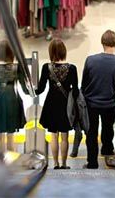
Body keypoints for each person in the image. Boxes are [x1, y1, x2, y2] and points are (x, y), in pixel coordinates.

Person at [82, 30, 115, 169]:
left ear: (102, 43)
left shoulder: (90, 60)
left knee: (91, 133)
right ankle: (107, 151)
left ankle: (92, 162)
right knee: (108, 130)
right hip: (109, 103)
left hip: (91, 103)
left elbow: (84, 84)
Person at [36, 39, 79, 169]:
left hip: (51, 104)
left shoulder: (46, 67)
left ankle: (55, 163)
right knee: (64, 136)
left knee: (53, 135)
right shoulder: (72, 68)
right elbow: (76, 90)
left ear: (51, 52)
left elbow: (41, 88)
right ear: (64, 51)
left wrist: (31, 90)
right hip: (66, 105)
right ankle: (64, 163)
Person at [0, 40, 26, 153]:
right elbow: (24, 88)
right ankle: (12, 162)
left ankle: (1, 162)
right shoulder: (17, 68)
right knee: (11, 135)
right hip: (12, 101)